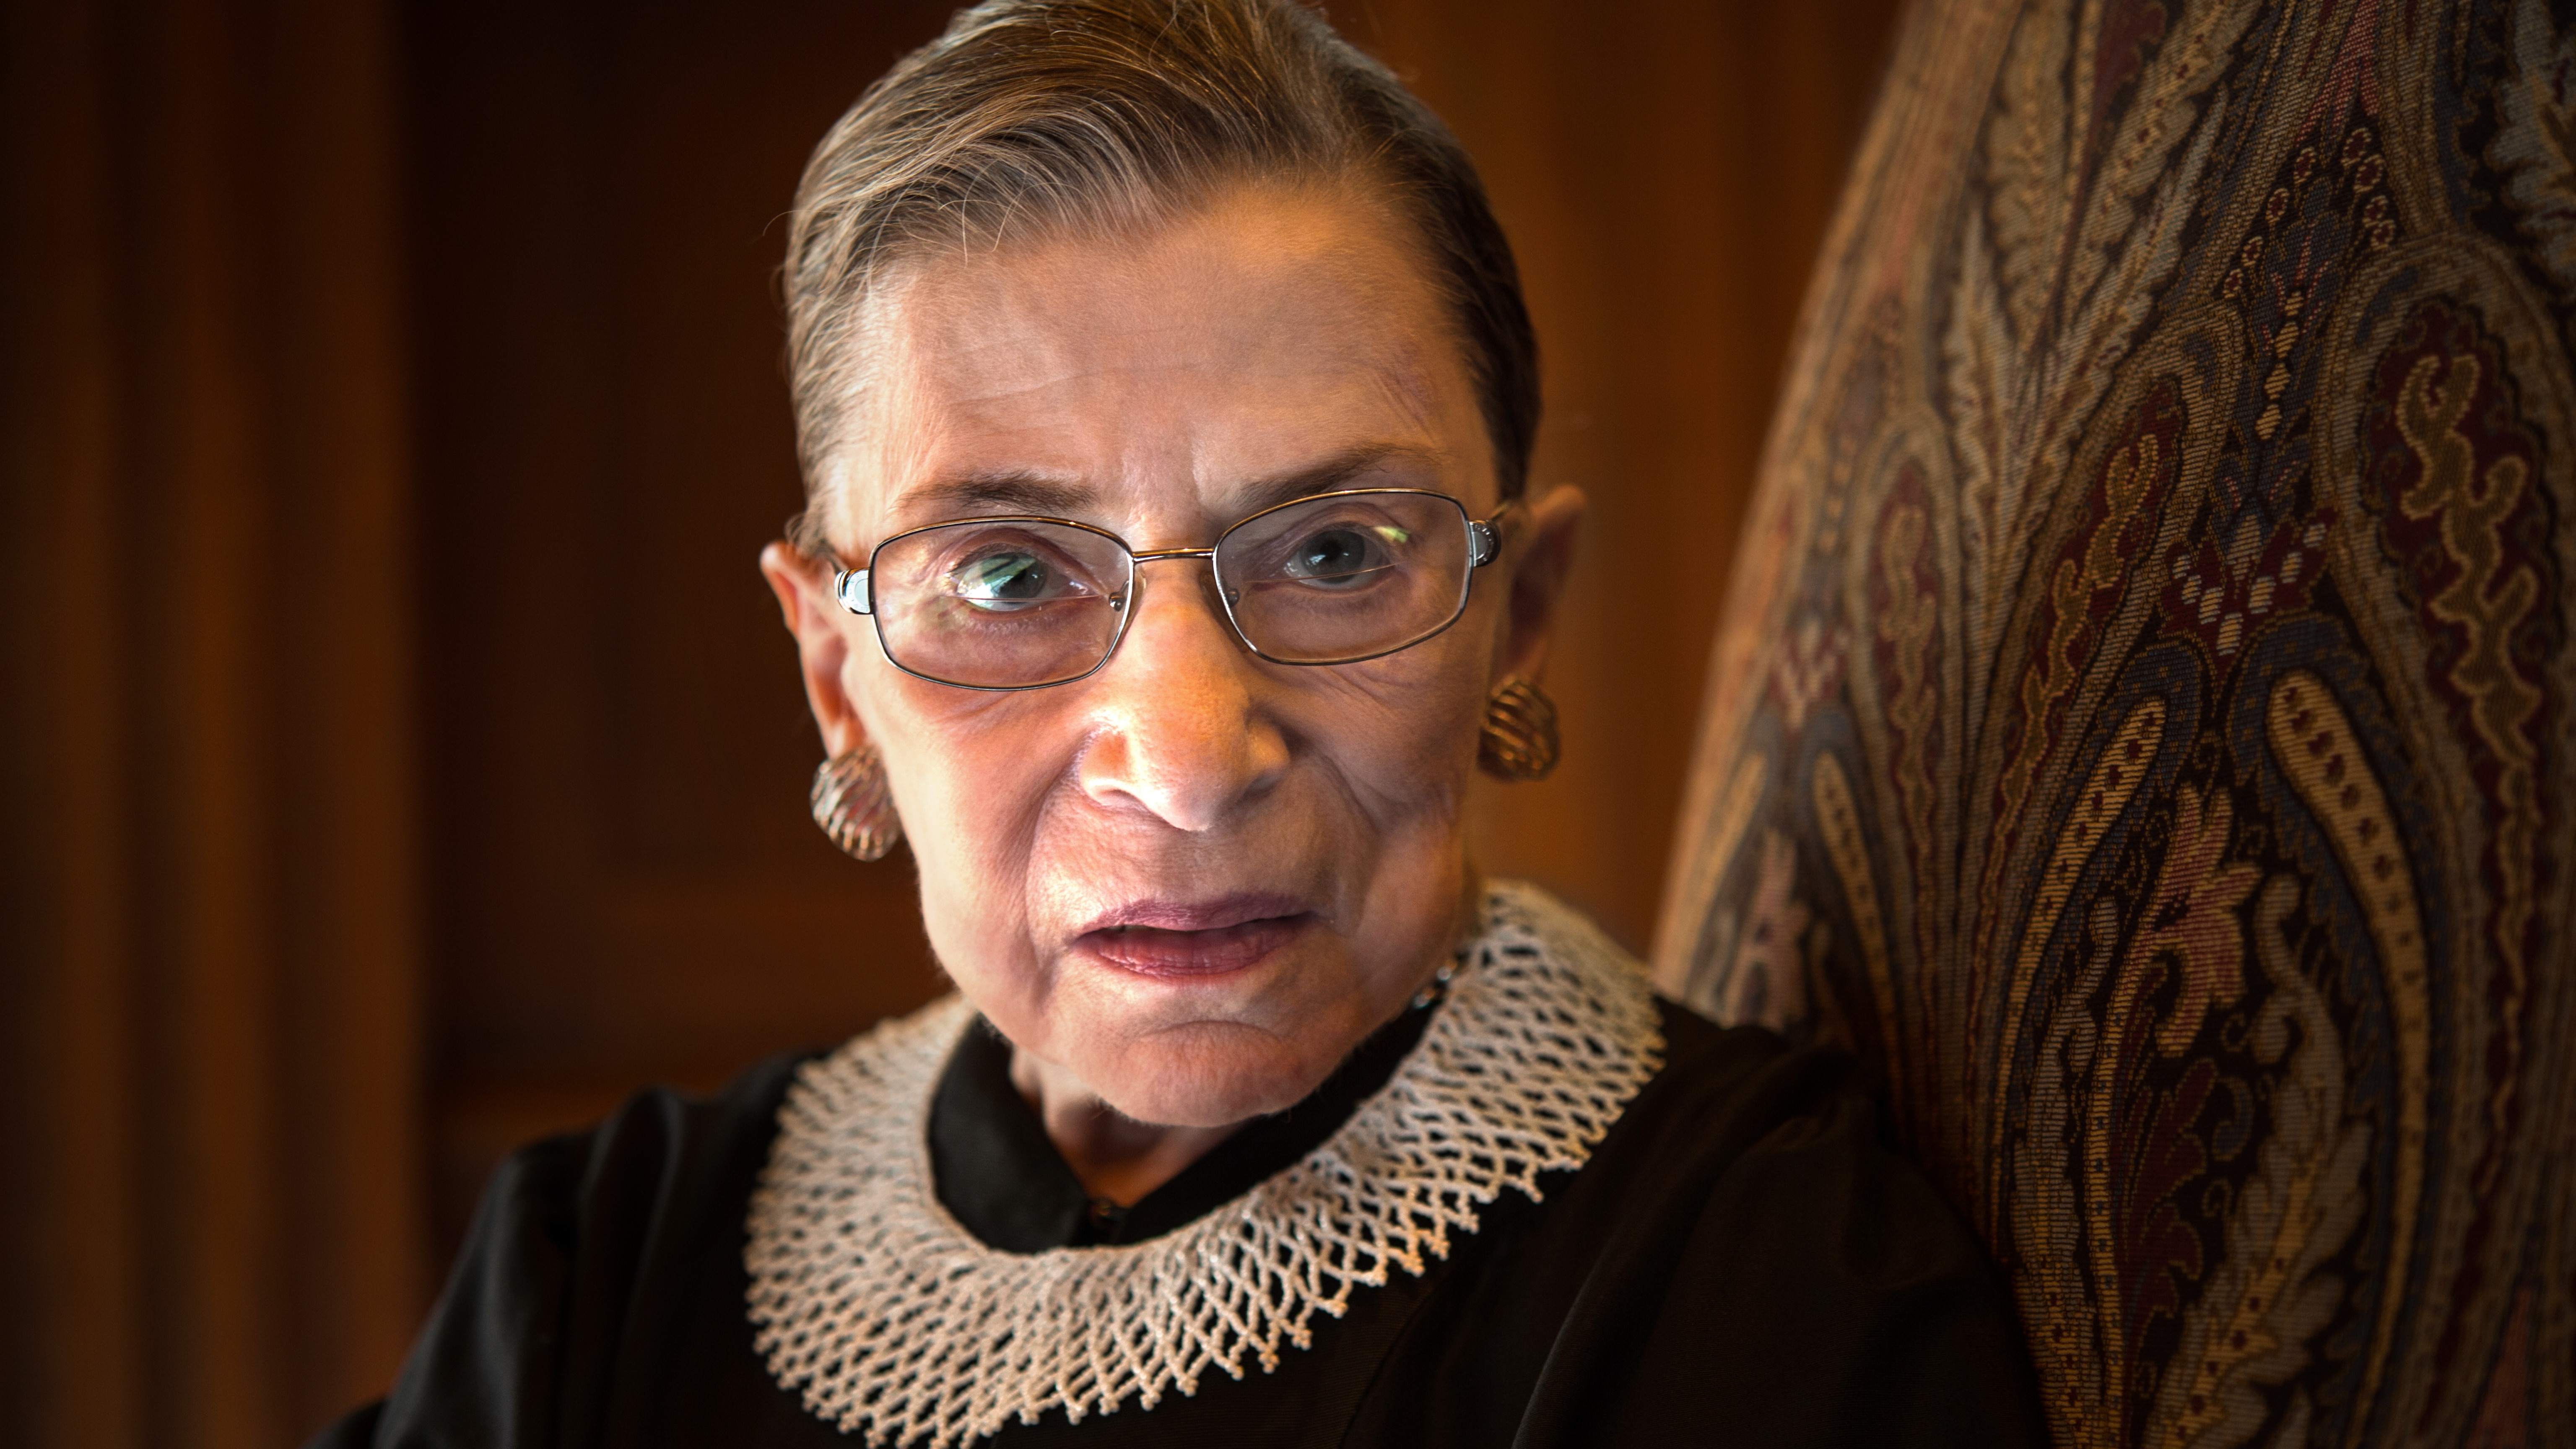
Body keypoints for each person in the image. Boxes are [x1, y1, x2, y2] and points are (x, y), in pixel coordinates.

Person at [313, 2, 2046, 1444]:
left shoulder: (1759, 1290)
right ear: (833, 671)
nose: (1191, 756)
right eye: (1005, 577)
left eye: (1336, 553)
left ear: (1517, 622)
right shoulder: (596, 1277)